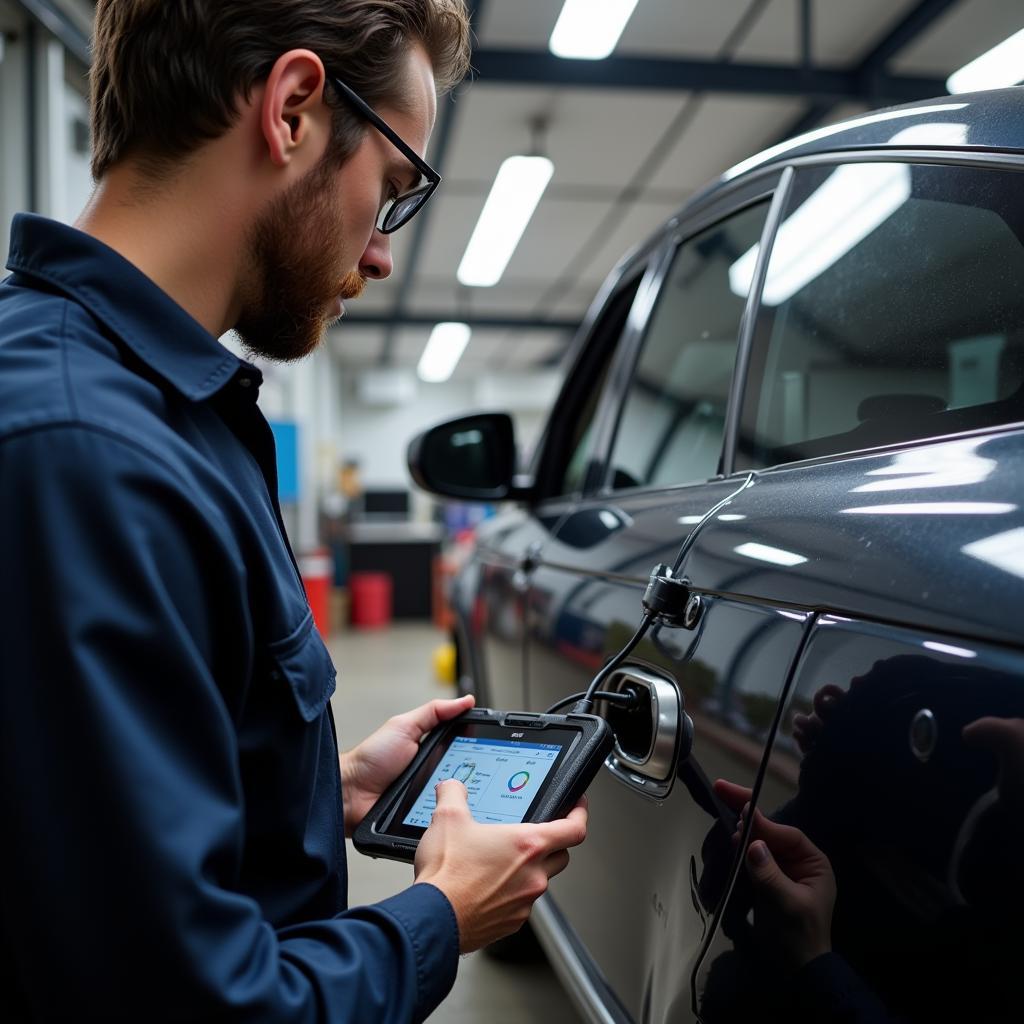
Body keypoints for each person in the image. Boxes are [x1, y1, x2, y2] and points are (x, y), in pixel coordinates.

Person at [0, 2, 588, 1021]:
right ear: (293, 111)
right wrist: (440, 916)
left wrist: (333, 784)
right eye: (393, 191)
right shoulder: (82, 456)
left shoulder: (167, 417)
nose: (381, 254)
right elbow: (191, 1001)